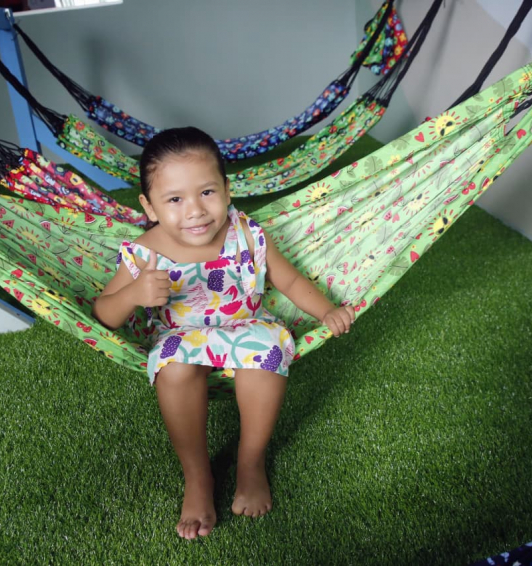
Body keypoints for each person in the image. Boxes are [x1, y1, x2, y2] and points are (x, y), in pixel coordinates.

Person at [92, 127, 355, 540]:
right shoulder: (145, 252)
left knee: (267, 352)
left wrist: (326, 310)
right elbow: (105, 314)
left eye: (207, 192)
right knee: (175, 367)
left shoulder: (246, 233)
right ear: (149, 206)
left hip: (246, 325)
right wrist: (133, 293)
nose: (195, 211)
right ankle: (197, 476)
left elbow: (288, 280)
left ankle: (251, 462)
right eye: (175, 200)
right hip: (184, 336)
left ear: (227, 190)